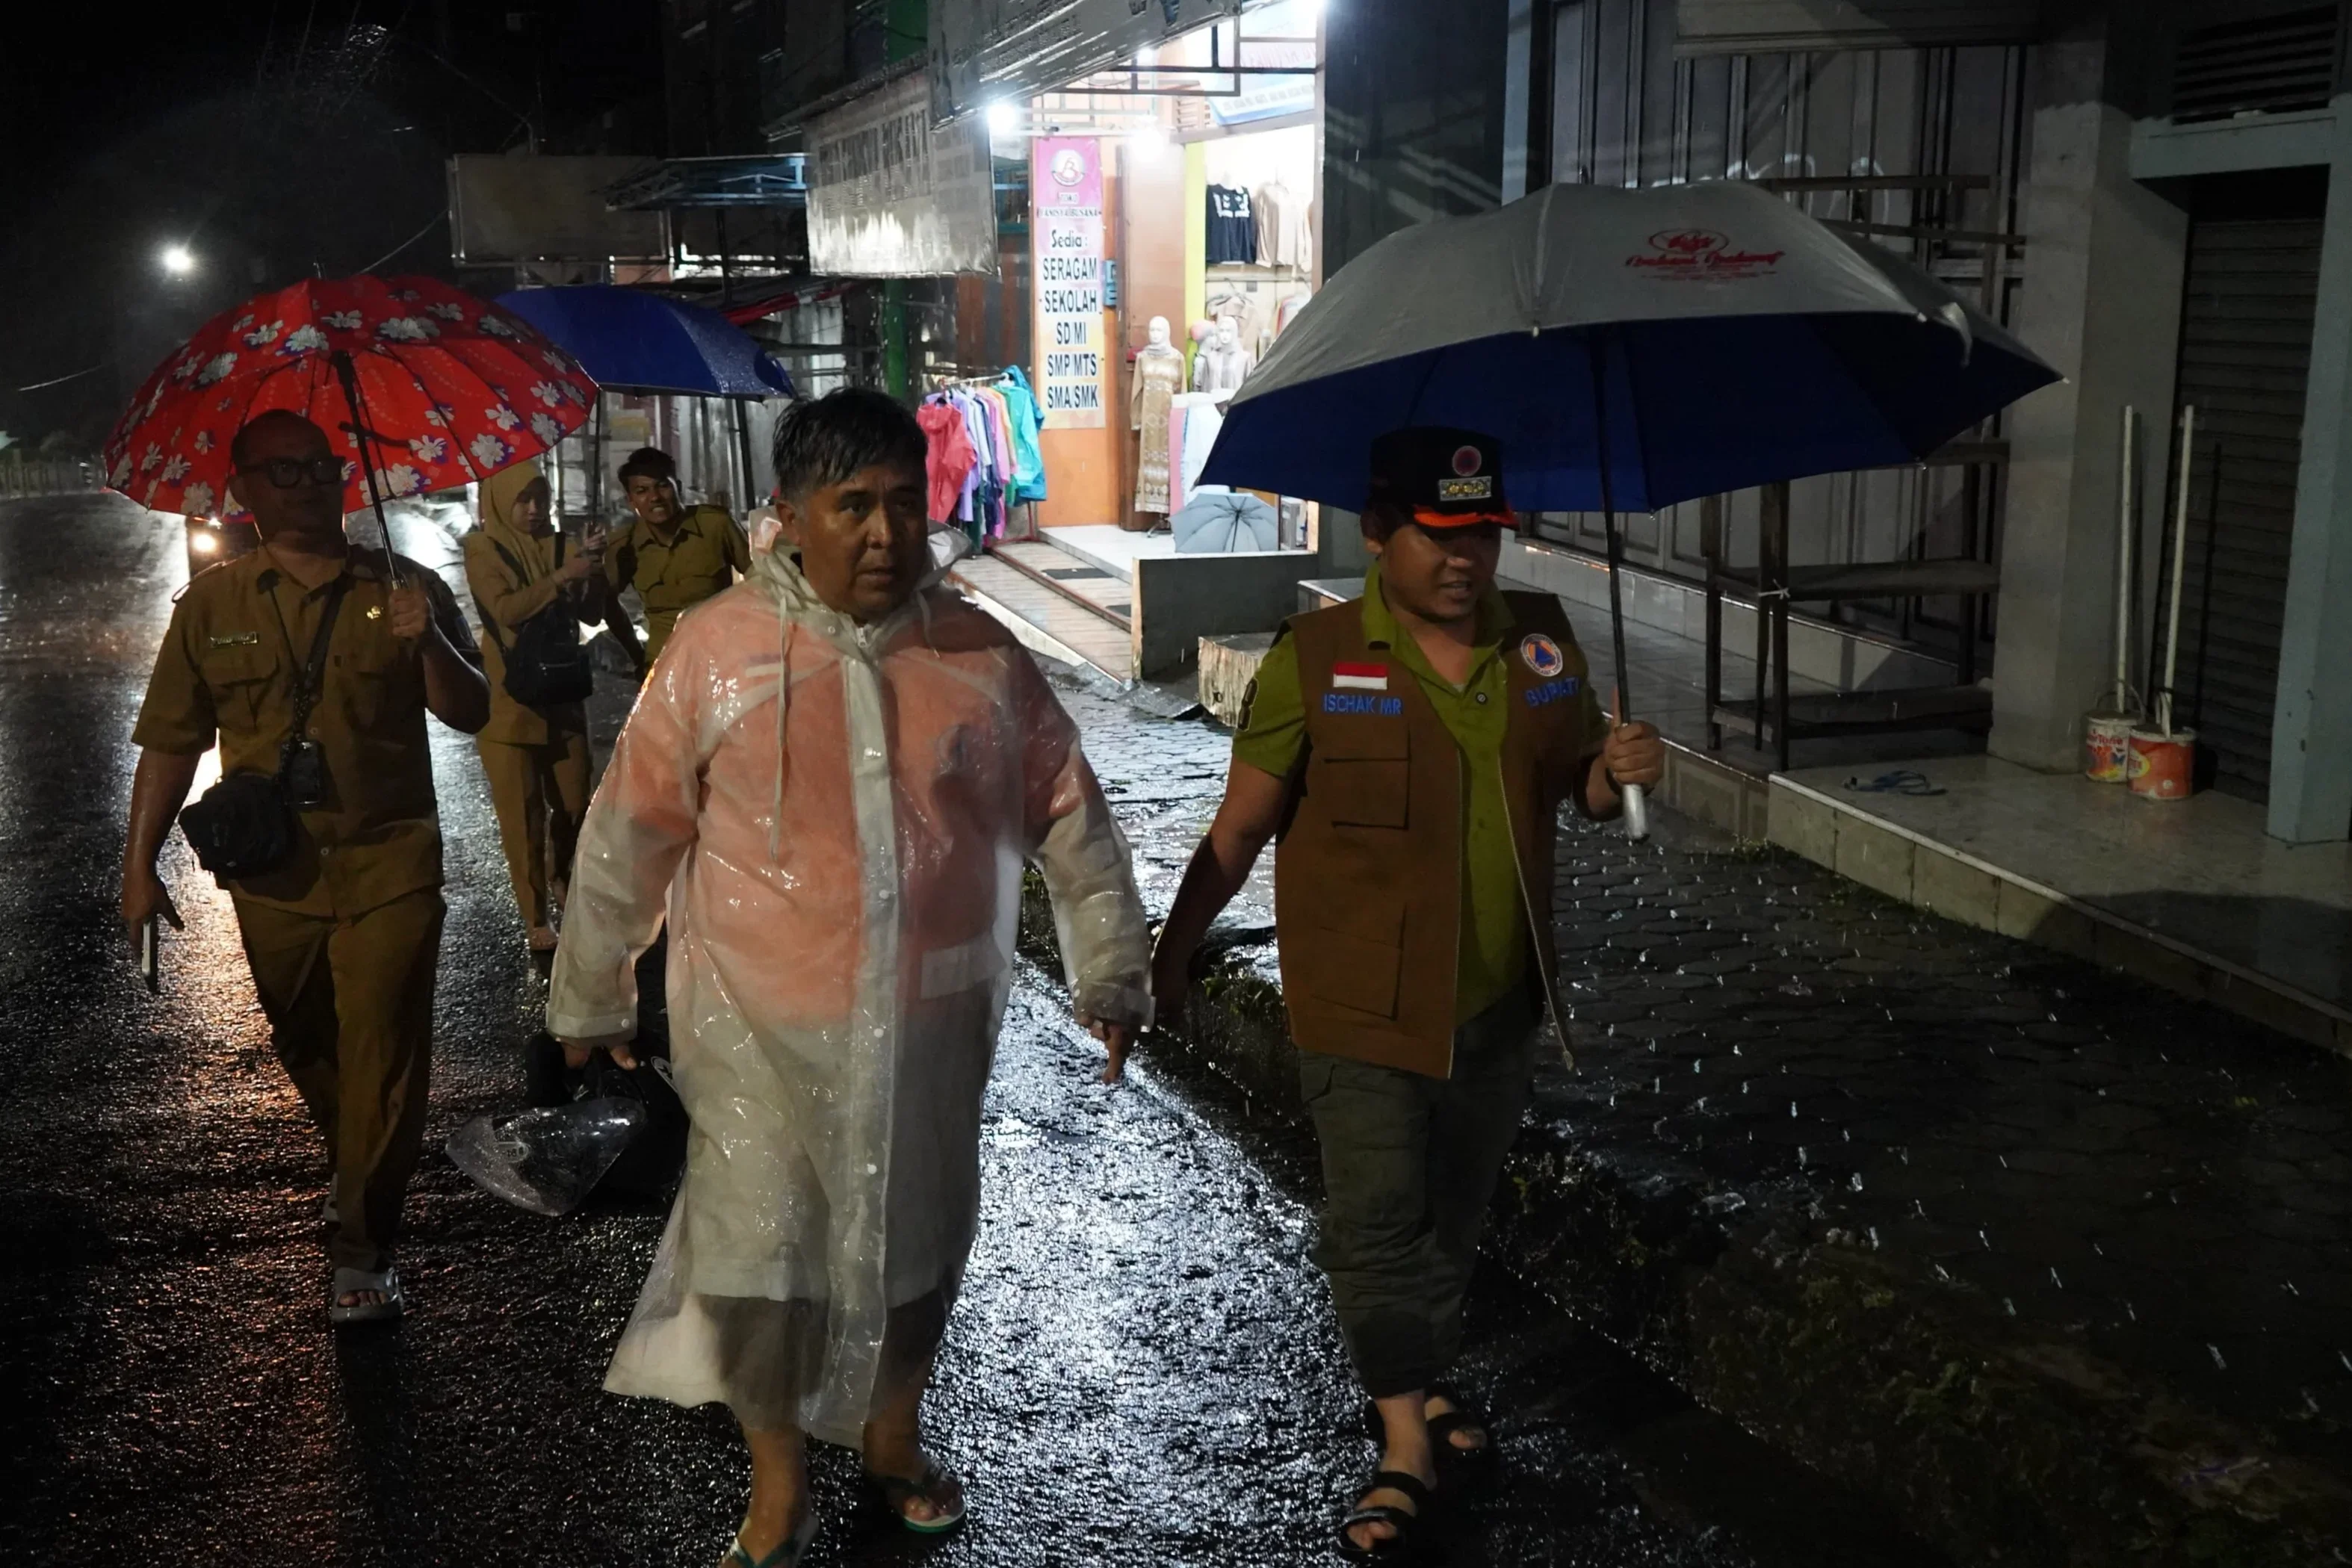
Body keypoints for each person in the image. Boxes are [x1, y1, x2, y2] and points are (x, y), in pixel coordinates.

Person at [547, 388, 1152, 1568]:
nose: (886, 532)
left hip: (930, 1026)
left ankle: (894, 1437)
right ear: (788, 516)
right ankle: (779, 1492)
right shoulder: (716, 651)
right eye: (853, 505)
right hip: (756, 1032)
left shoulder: (977, 652)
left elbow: (1071, 811)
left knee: (915, 1241)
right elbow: (631, 830)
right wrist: (590, 996)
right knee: (760, 1256)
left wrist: (1112, 966)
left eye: (902, 503)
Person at [1148, 427, 1666, 1561]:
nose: (1463, 557)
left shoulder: (1542, 643)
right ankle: (1403, 1445)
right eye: (1438, 533)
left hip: (1496, 1000)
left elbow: (1568, 785)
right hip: (1359, 1002)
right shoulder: (1318, 656)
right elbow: (1239, 830)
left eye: (1480, 531)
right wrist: (1173, 951)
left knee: (1451, 1213)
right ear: (1381, 533)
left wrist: (1610, 769)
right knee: (1376, 1222)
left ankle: (1417, 1378)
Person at [120, 409, 489, 1326]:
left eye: (321, 467)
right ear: (241, 489)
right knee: (307, 1040)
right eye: (282, 472)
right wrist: (138, 863)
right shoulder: (213, 604)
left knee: (385, 1051)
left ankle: (363, 1245)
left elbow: (472, 709)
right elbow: (172, 741)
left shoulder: (402, 583)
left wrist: (429, 639)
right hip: (274, 869)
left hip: (391, 860)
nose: (309, 484)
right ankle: (356, 1160)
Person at [462, 461, 606, 954]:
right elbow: (506, 611)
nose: (534, 509)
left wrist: (592, 570)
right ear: (502, 501)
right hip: (510, 702)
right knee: (523, 818)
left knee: (573, 803)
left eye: (541, 499)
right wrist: (563, 576)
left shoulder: (564, 543)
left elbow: (590, 613)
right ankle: (535, 913)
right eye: (524, 499)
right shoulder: (483, 548)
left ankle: (561, 874)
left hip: (563, 695)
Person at [603, 444, 752, 672]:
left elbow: (761, 583)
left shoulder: (716, 525)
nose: (654, 498)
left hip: (722, 660)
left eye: (663, 486)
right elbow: (603, 606)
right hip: (663, 666)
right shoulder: (625, 545)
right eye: (642, 491)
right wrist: (636, 654)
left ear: (678, 488)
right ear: (631, 501)